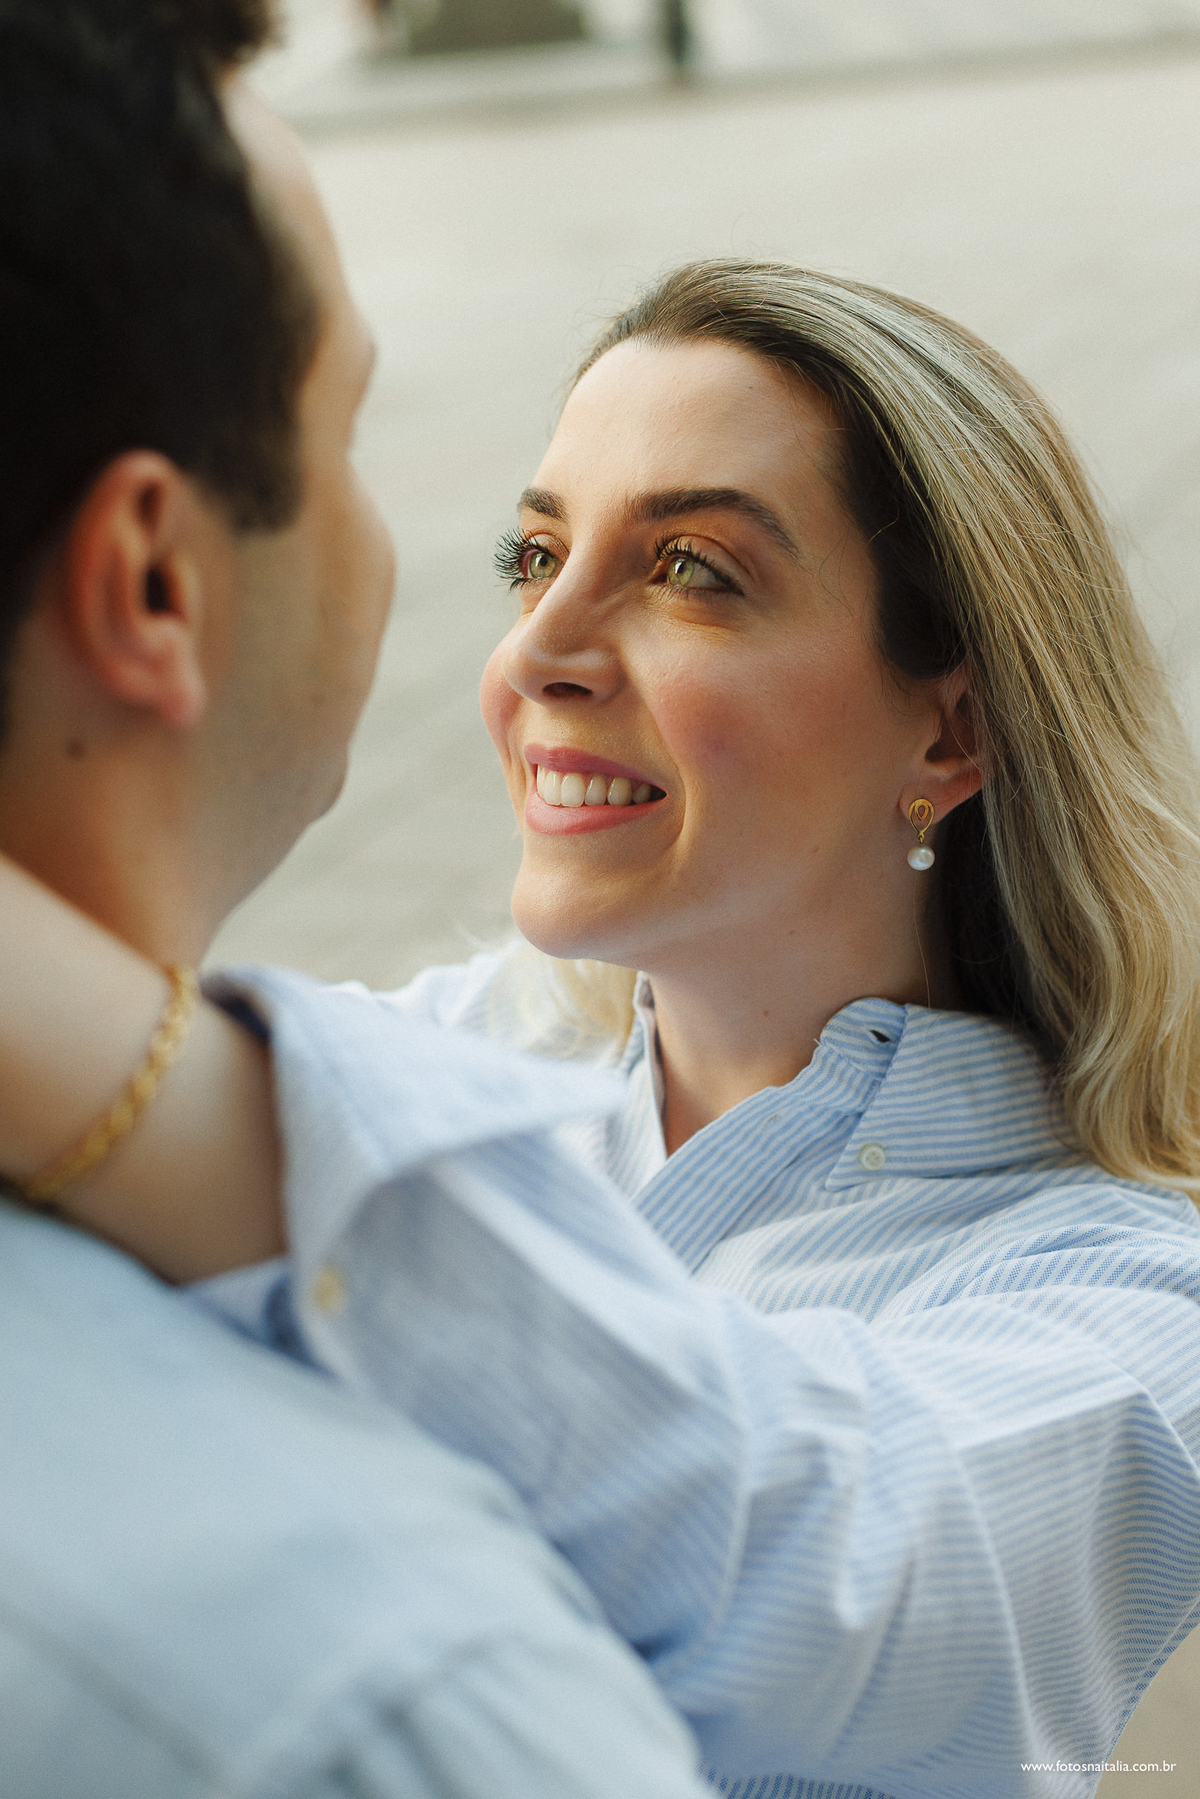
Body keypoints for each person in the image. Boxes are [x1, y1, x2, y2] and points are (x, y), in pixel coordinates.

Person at [2, 242, 1200, 1799]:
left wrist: (149, 1091)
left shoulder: (1126, 1288)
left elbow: (841, 1571)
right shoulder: (448, 1057)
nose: (538, 656)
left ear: (952, 724)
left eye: (692, 570)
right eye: (534, 556)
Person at [0, 4, 712, 1793]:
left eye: (692, 570)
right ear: (152, 581)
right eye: (351, 431)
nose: (534, 645)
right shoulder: (392, 1695)